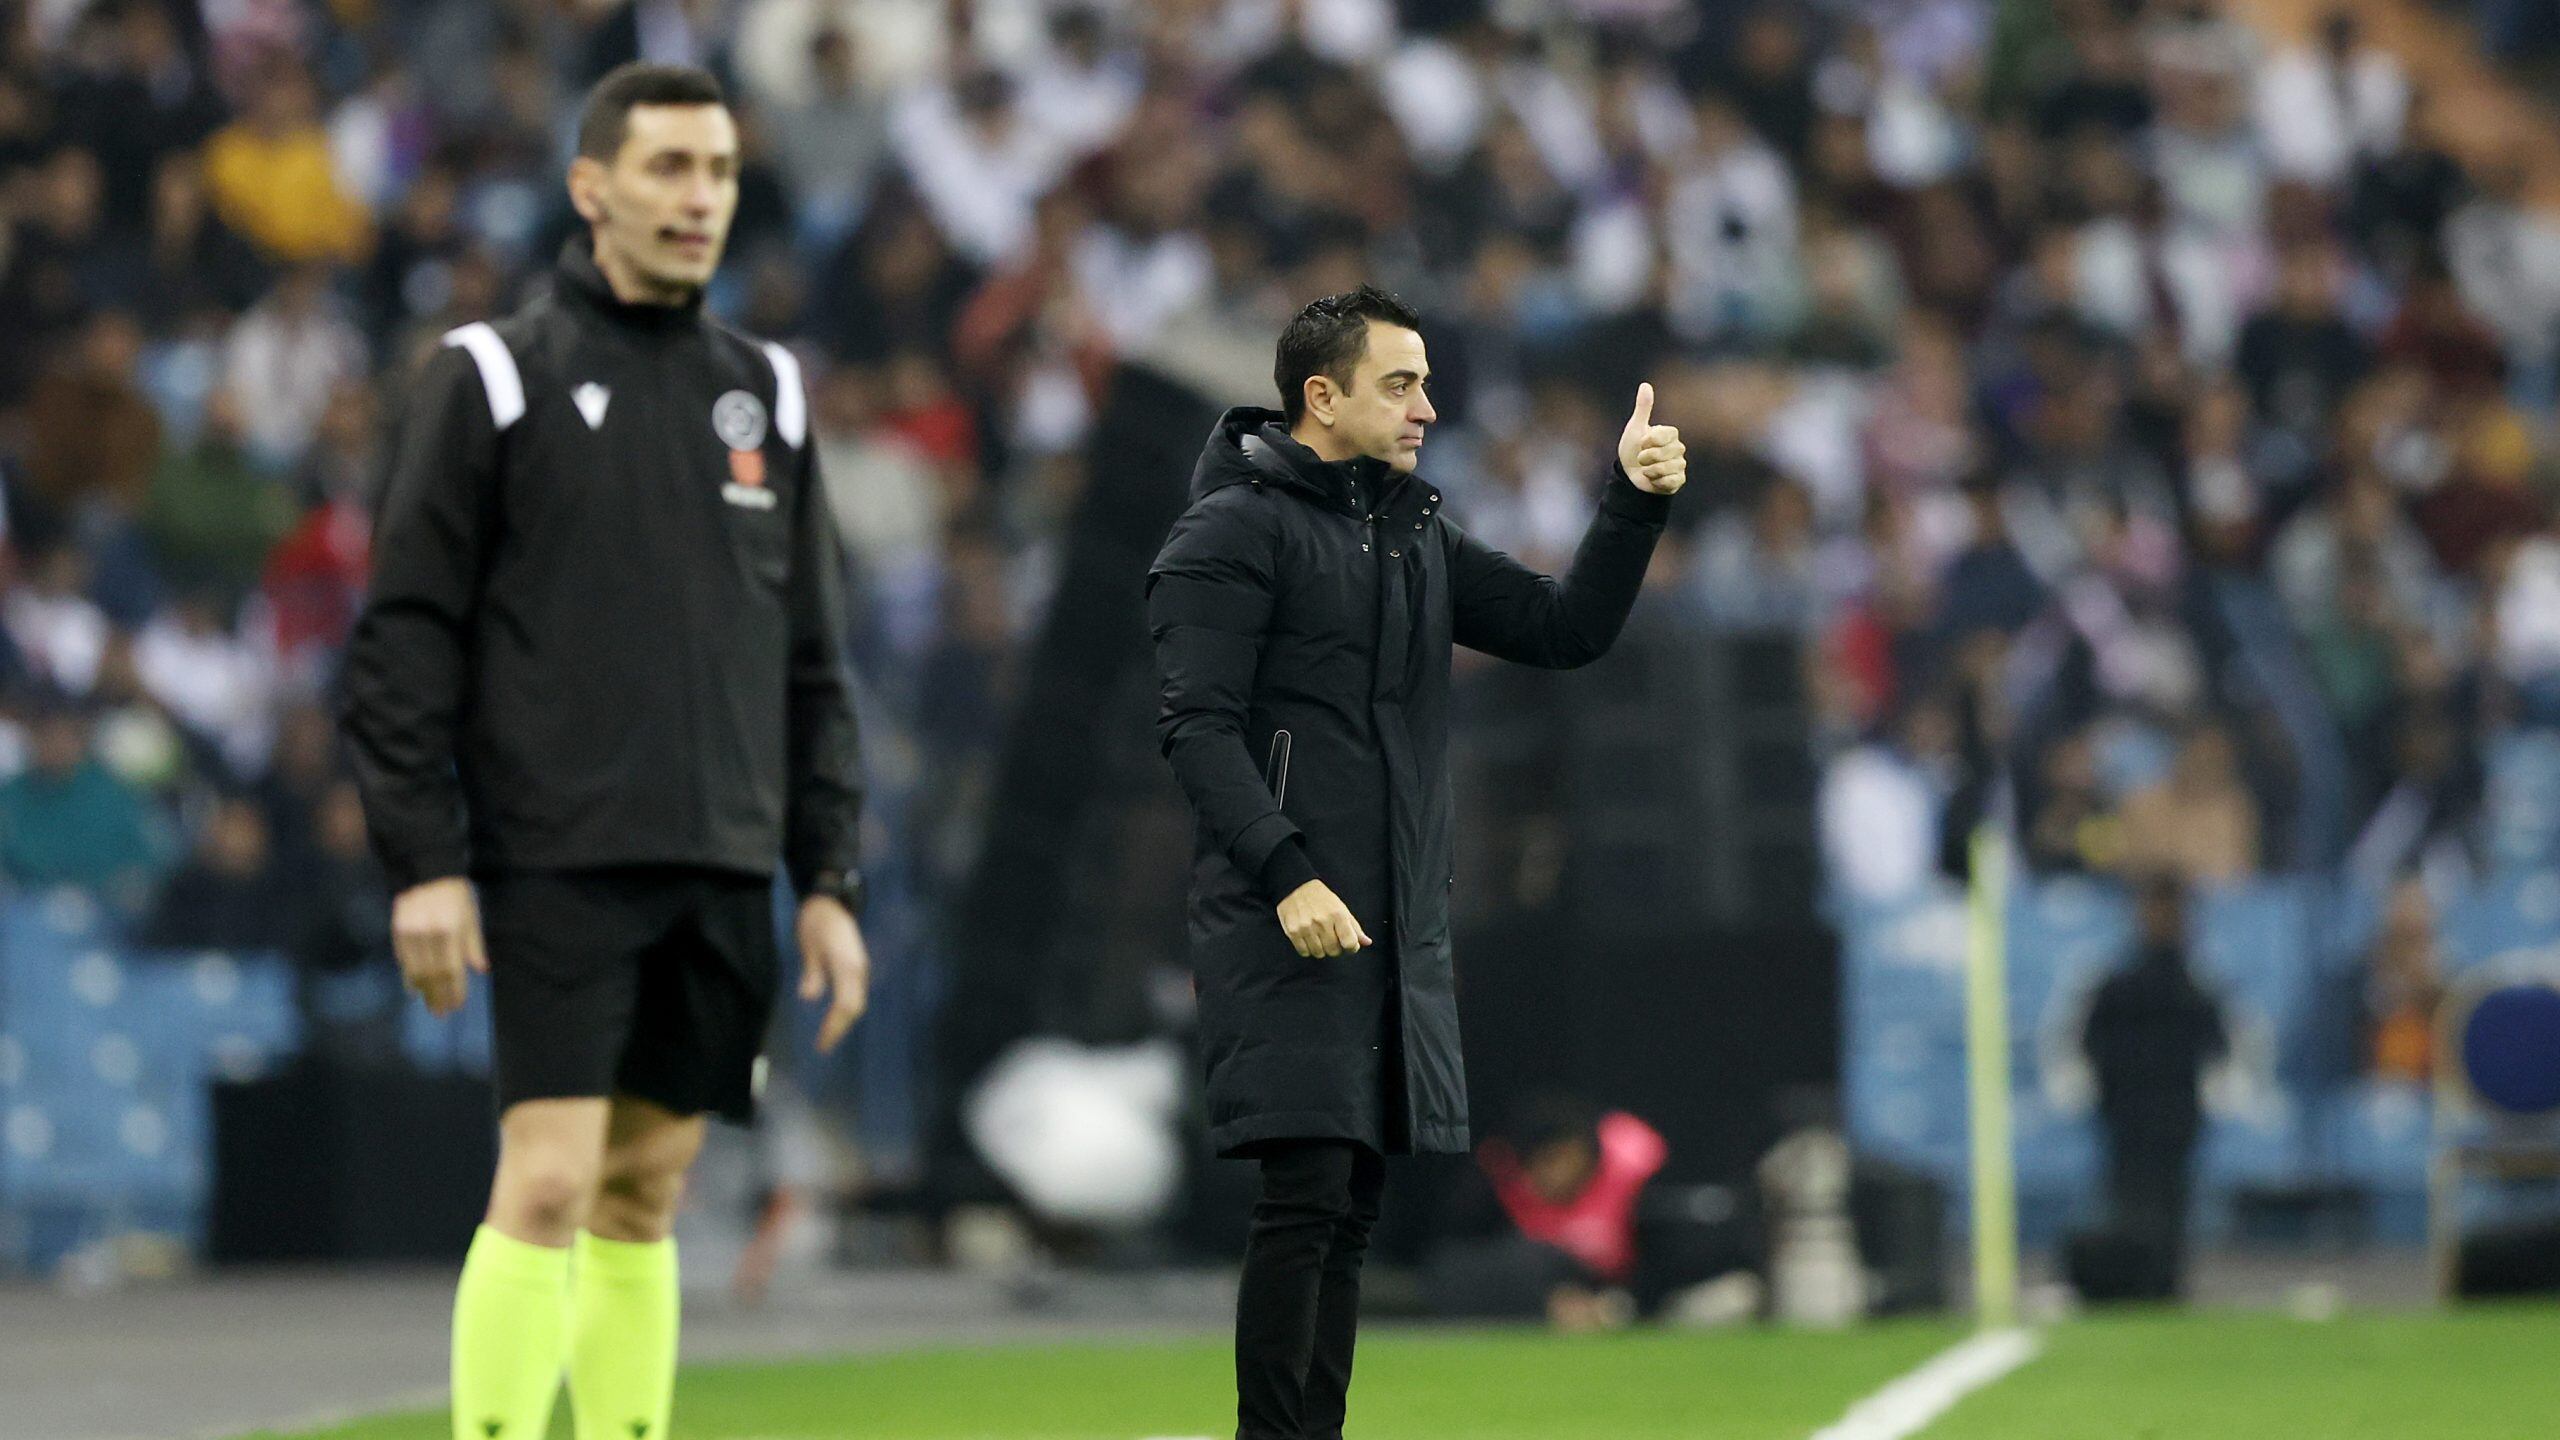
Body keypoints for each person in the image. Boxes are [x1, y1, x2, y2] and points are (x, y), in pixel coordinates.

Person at [337, 63, 871, 1440]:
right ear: (590, 188)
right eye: (668, 168)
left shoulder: (768, 393)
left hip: (721, 859)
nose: (700, 198)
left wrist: (827, 877)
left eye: (719, 171)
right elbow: (403, 638)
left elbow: (812, 661)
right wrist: (424, 860)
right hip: (556, 858)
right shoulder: (491, 377)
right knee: (549, 1180)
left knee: (644, 1197)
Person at [1147, 285, 1687, 1440]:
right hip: (1281, 914)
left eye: (1427, 384)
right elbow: (1197, 729)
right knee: (1304, 1196)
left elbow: (1562, 629)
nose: (1427, 409)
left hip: (1388, 922)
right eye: (1400, 384)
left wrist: (1630, 504)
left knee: (1350, 1204)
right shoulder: (1228, 532)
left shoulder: (1409, 535)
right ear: (1320, 396)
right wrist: (1287, 872)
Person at [2081, 872, 2228, 1298]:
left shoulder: (2194, 987)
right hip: (2128, 1115)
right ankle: (2133, 1282)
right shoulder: (2120, 987)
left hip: (2173, 1115)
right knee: (2130, 1203)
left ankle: (2164, 1283)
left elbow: (2217, 1047)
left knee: (2170, 1206)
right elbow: (2092, 1043)